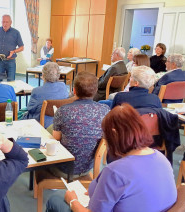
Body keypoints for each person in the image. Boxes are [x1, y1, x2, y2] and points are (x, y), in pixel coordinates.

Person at [46, 104, 177, 212]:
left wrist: (73, 201)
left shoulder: (115, 171)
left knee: (55, 200)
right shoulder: (161, 157)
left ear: (113, 134)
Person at [50, 72, 109, 178]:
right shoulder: (105, 110)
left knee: (50, 132)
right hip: (87, 167)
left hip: (64, 169)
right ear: (95, 91)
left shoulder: (63, 111)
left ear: (74, 90)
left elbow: (56, 139)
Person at [21, 62, 69, 128]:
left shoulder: (37, 91)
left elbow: (30, 109)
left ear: (43, 75)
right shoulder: (63, 86)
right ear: (58, 75)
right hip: (59, 121)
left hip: (41, 123)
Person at [0, 14, 24, 81]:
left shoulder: (16, 32)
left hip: (11, 61)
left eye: (7, 22)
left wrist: (14, 51)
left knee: (11, 82)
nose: (5, 24)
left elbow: (22, 47)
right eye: (3, 22)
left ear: (11, 22)